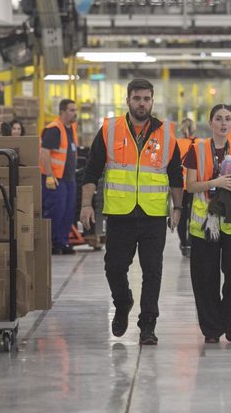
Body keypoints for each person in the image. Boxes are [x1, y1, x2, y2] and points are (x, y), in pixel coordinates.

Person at [80, 79, 183, 346]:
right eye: (137, 98)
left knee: (152, 271)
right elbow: (92, 170)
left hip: (153, 215)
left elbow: (175, 176)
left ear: (152, 101)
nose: (142, 103)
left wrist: (178, 208)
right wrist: (86, 204)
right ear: (128, 100)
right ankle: (123, 301)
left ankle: (148, 324)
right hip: (120, 214)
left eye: (147, 99)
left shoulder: (167, 133)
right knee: (114, 267)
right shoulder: (110, 130)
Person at [184, 104, 231, 343]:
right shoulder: (197, 149)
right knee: (205, 278)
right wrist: (216, 182)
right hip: (204, 223)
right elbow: (191, 186)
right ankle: (211, 329)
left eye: (227, 119)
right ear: (210, 122)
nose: (223, 123)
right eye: (218, 119)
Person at [39, 99, 78, 255]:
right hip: (55, 178)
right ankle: (52, 243)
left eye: (75, 110)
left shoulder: (71, 128)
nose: (74, 113)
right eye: (71, 110)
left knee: (68, 211)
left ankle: (62, 242)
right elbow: (45, 151)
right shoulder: (54, 129)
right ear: (62, 112)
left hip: (69, 178)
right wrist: (49, 174)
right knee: (56, 210)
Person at [176, 118, 200, 257]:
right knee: (193, 214)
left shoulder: (176, 143)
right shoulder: (198, 143)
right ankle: (191, 242)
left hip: (180, 185)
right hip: (193, 184)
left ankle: (184, 243)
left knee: (181, 213)